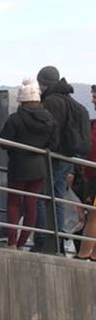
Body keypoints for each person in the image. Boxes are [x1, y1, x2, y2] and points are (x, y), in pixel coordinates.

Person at [0, 79, 58, 250]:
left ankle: (11, 242)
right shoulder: (49, 119)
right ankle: (21, 243)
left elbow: (4, 142)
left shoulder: (15, 119)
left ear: (22, 100)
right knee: (31, 205)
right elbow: (53, 144)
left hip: (18, 166)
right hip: (39, 168)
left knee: (13, 203)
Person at [33, 66, 82, 251]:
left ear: (44, 83)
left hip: (52, 156)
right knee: (58, 198)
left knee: (41, 197)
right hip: (68, 157)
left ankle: (43, 241)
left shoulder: (51, 102)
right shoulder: (73, 103)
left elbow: (48, 131)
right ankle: (58, 241)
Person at [75, 85, 96, 260]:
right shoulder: (92, 124)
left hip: (93, 175)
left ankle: (84, 253)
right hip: (90, 174)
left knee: (93, 216)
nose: (93, 99)